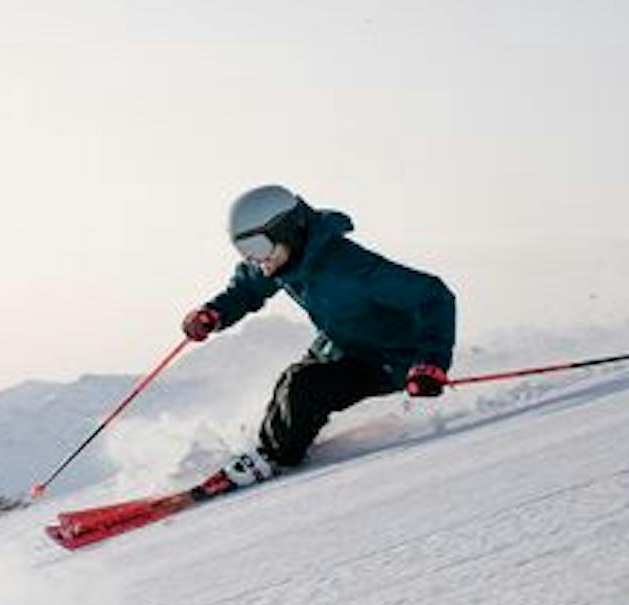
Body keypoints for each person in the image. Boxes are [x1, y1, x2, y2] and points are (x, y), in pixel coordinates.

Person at [178, 184, 458, 483]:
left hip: (390, 356)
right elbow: (248, 287)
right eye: (245, 251)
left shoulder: (350, 267)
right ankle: (265, 452)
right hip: (343, 343)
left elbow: (433, 294)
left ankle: (276, 457)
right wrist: (214, 313)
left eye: (258, 248)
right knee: (291, 379)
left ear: (287, 230)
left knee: (305, 387)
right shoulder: (285, 260)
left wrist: (431, 362)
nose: (256, 259)